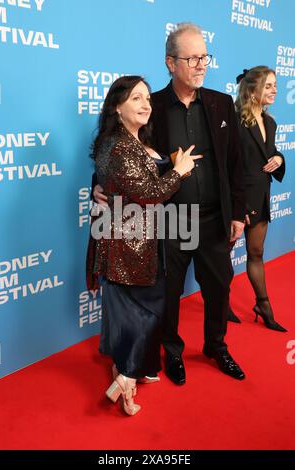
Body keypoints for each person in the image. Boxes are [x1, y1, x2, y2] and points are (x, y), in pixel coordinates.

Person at [94, 23, 247, 384]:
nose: (200, 65)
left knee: (218, 288)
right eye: (191, 58)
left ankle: (216, 347)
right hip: (173, 220)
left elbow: (236, 164)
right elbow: (120, 148)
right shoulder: (152, 106)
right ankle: (172, 352)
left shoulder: (221, 103)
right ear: (170, 62)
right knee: (170, 292)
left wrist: (239, 213)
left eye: (204, 57)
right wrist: (98, 187)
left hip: (213, 218)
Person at [86, 75, 199, 415]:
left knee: (137, 314)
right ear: (117, 106)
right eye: (136, 98)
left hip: (143, 241)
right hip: (128, 245)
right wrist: (179, 171)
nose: (146, 104)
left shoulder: (130, 141)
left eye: (147, 98)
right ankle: (125, 379)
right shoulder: (118, 145)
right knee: (142, 314)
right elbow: (148, 195)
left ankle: (131, 372)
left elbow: (122, 184)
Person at [234, 66, 287, 332]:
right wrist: (236, 206)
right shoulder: (234, 120)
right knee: (221, 258)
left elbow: (271, 152)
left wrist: (279, 158)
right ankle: (219, 304)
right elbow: (226, 166)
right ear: (252, 90)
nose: (274, 90)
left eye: (275, 85)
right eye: (268, 85)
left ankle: (263, 305)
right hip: (237, 199)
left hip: (261, 196)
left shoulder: (271, 122)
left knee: (256, 253)